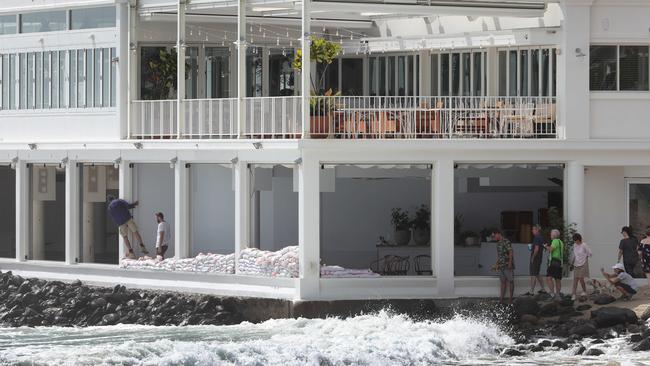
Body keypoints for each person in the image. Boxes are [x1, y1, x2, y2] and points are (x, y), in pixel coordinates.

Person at [492, 229, 514, 305]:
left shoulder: (506, 241)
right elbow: (500, 256)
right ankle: (501, 299)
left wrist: (510, 263)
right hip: (501, 266)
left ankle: (511, 299)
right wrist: (496, 265)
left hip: (507, 265)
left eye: (494, 235)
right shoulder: (498, 244)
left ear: (498, 234)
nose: (493, 237)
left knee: (511, 281)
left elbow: (511, 252)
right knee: (503, 282)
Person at [570, 233, 592, 300]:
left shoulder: (584, 245)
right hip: (576, 264)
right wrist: (572, 263)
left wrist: (585, 258)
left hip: (583, 264)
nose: (575, 242)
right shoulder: (575, 245)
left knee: (581, 278)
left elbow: (590, 253)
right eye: (574, 241)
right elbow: (575, 255)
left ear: (579, 239)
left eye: (576, 240)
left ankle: (584, 291)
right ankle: (573, 294)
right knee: (575, 279)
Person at [526, 225, 547, 296]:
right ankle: (543, 289)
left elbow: (537, 249)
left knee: (533, 274)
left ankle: (531, 291)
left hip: (535, 259)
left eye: (533, 229)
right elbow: (542, 247)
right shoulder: (541, 237)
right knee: (537, 273)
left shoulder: (536, 238)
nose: (532, 231)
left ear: (537, 230)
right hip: (539, 258)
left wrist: (532, 257)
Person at [544, 229, 564, 300]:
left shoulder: (555, 241)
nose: (550, 236)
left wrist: (546, 246)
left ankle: (552, 294)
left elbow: (550, 249)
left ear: (554, 235)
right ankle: (558, 294)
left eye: (551, 234)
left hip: (554, 262)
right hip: (559, 263)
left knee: (549, 277)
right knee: (557, 279)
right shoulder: (561, 242)